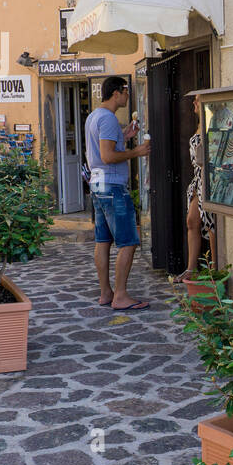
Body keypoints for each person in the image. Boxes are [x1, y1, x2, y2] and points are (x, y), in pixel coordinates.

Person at [85, 76, 152, 309]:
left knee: (103, 240)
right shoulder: (108, 119)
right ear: (116, 93)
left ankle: (106, 293)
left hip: (98, 185)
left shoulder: (94, 116)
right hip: (113, 187)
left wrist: (124, 136)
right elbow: (108, 156)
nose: (127, 95)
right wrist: (137, 152)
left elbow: (105, 147)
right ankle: (121, 295)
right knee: (128, 241)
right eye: (125, 91)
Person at [185, 94, 216, 276]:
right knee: (192, 221)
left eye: (198, 99)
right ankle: (191, 268)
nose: (194, 103)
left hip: (208, 179)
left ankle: (214, 268)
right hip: (198, 180)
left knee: (210, 224)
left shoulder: (211, 122)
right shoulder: (200, 123)